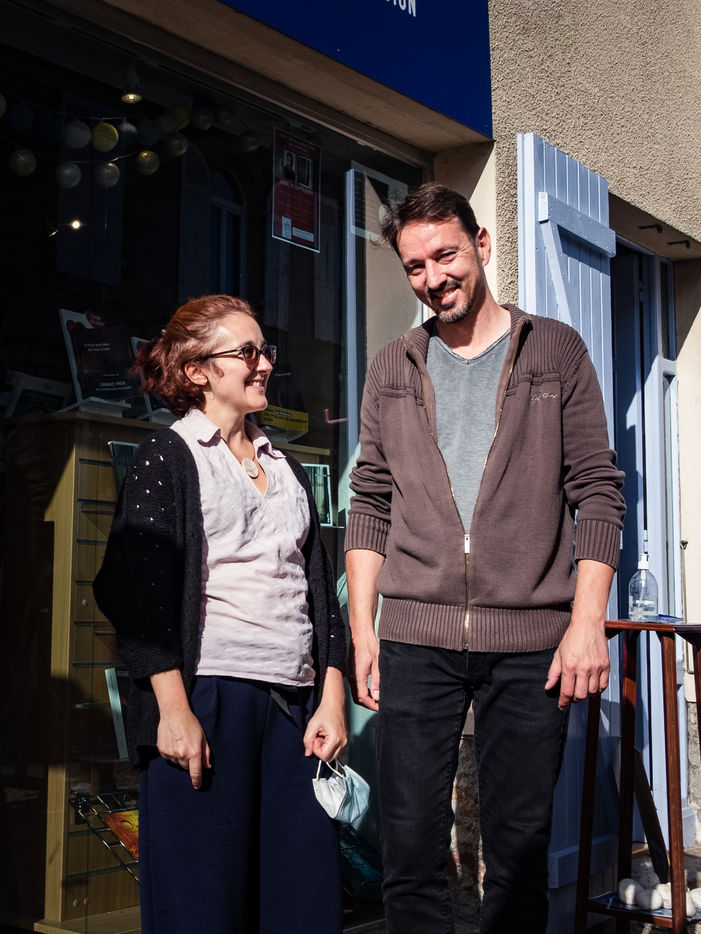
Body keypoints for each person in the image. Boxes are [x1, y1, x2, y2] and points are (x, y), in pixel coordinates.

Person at [344, 184, 626, 934]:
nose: (433, 277)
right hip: (415, 638)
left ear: (481, 244)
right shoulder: (393, 366)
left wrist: (586, 624)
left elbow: (597, 493)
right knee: (408, 852)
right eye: (414, 266)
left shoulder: (554, 350)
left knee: (518, 855)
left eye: (445, 255)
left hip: (530, 644)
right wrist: (364, 630)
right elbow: (369, 502)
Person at [93, 294, 347, 934]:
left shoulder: (285, 467)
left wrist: (331, 693)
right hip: (208, 696)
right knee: (202, 903)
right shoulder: (168, 457)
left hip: (293, 707)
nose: (264, 364)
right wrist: (173, 711)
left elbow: (318, 590)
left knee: (301, 901)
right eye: (247, 352)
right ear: (197, 370)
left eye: (266, 351)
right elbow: (135, 594)